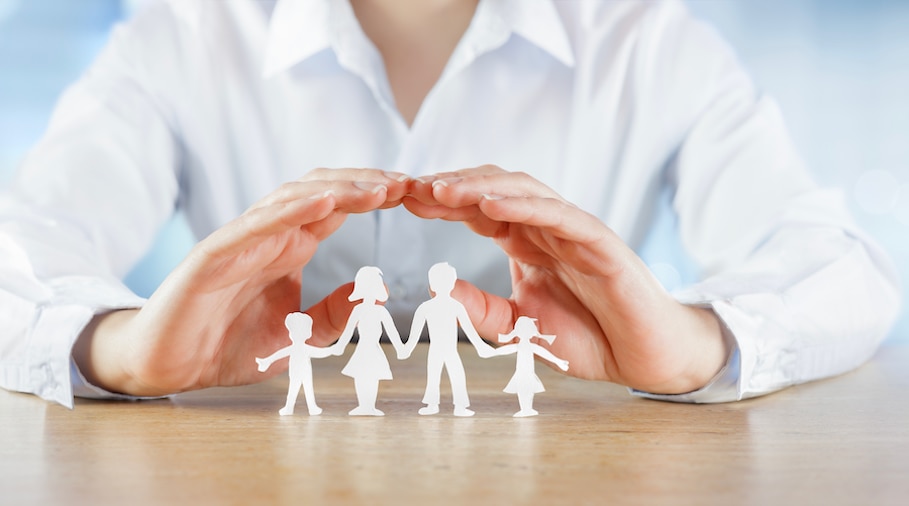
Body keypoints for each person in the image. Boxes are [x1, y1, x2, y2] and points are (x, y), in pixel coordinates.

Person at [0, 0, 899, 409]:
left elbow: (841, 264)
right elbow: (20, 242)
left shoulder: (651, 40)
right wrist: (112, 348)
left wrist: (697, 341)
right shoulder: (178, 37)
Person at [400, 262, 495, 417]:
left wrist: (480, 346)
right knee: (434, 376)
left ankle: (460, 406)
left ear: (452, 284)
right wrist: (407, 348)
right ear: (433, 285)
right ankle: (433, 405)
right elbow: (414, 333)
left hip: (451, 350)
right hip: (437, 350)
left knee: (456, 375)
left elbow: (469, 328)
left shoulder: (456, 306)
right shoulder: (426, 308)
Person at [328, 266, 404, 416]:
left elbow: (392, 331)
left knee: (373, 376)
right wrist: (340, 346)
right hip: (362, 348)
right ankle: (363, 405)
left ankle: (370, 406)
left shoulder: (381, 311)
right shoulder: (358, 310)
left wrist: (400, 348)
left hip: (374, 348)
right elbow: (349, 329)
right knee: (361, 375)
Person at [255, 312, 332, 416]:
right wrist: (332, 350)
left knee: (305, 389)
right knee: (296, 389)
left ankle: (310, 407)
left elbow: (319, 352)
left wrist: (332, 350)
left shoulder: (302, 348)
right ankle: (293, 408)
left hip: (304, 371)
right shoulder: (299, 348)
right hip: (297, 372)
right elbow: (320, 352)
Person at [493, 316, 569, 418]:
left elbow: (544, 353)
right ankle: (526, 409)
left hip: (527, 373)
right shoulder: (521, 346)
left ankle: (527, 409)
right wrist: (493, 352)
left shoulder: (527, 346)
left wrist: (558, 361)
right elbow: (505, 350)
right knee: (524, 389)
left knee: (527, 389)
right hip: (522, 373)